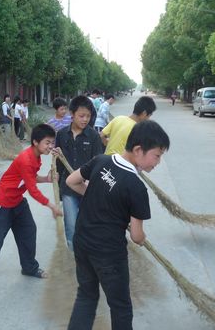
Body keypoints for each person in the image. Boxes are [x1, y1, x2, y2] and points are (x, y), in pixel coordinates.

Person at [66, 120, 170, 330]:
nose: (158, 162)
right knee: (120, 306)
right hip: (109, 256)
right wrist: (141, 238)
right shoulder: (136, 187)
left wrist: (98, 195)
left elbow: (71, 181)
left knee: (86, 296)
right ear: (139, 150)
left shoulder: (101, 160)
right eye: (157, 155)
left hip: (82, 243)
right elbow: (137, 236)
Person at [0, 124, 63, 285]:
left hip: (17, 201)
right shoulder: (26, 159)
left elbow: (29, 177)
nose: (50, 146)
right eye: (47, 142)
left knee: (29, 231)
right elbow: (32, 190)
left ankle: (29, 267)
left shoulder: (36, 157)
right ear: (36, 142)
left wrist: (47, 179)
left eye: (52, 143)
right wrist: (52, 205)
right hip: (2, 202)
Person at [54, 95, 103, 251]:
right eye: (81, 116)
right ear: (72, 114)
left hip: (87, 188)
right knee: (71, 225)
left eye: (88, 116)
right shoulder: (61, 134)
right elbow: (59, 163)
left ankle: (87, 252)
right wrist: (55, 175)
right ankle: (74, 255)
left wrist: (93, 182)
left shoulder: (94, 136)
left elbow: (98, 162)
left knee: (88, 224)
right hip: (68, 189)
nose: (85, 119)